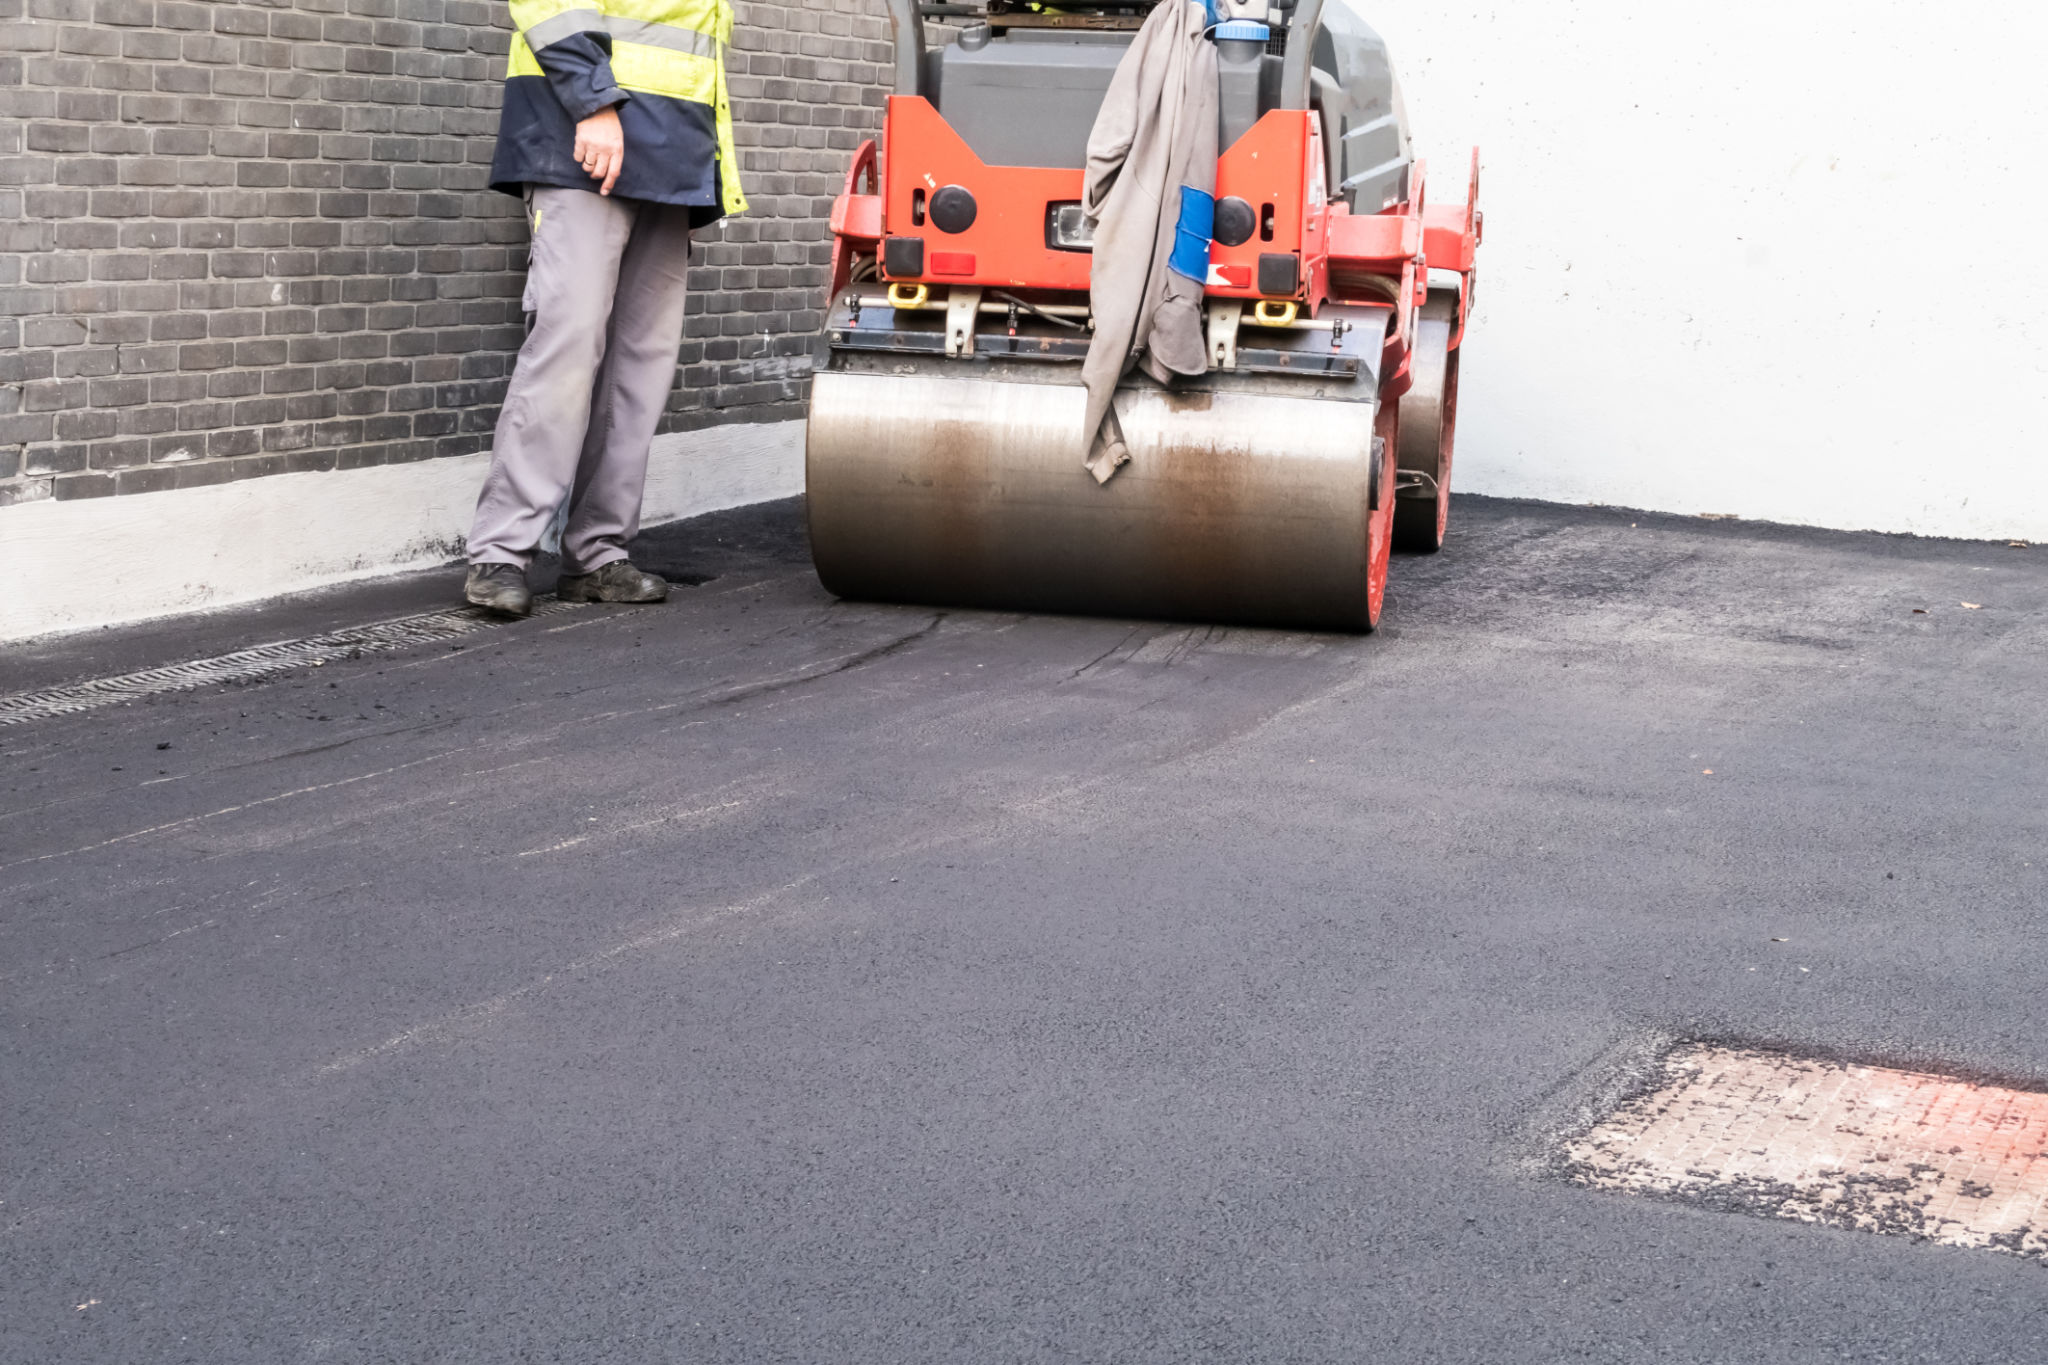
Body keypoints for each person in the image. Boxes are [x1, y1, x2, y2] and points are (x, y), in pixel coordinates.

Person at [462, 0, 747, 616]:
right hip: (586, 138)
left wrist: (702, 166)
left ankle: (597, 554)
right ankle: (503, 552)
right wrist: (592, 100)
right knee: (568, 345)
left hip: (670, 154)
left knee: (638, 370)